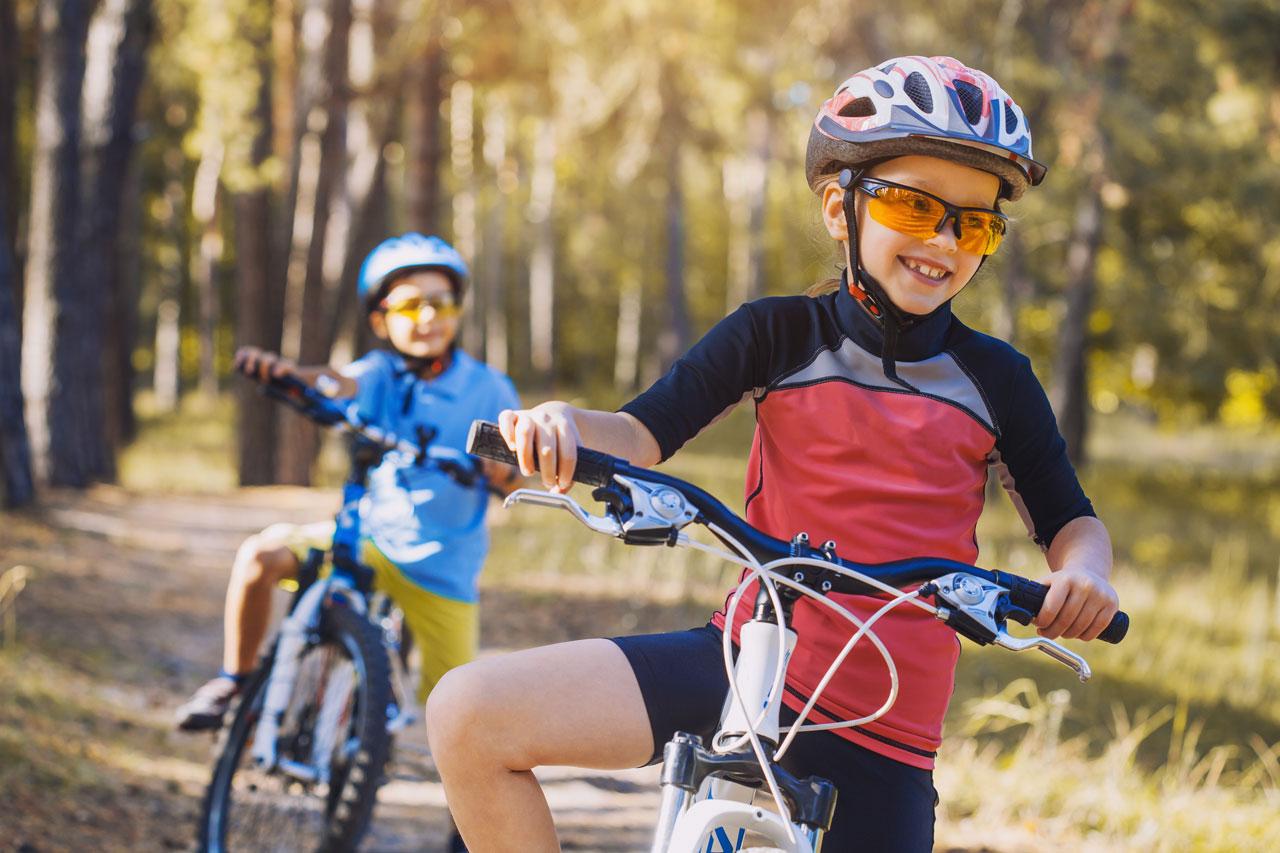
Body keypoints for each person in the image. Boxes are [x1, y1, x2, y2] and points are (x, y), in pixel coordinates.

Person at [423, 56, 1121, 853]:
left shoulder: (996, 379)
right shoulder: (776, 334)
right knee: (468, 713)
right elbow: (639, 434)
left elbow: (1072, 522)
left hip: (882, 729)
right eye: (915, 206)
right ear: (839, 207)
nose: (947, 240)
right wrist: (561, 425)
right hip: (747, 665)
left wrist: (1085, 575)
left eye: (976, 221)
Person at [176, 233, 520, 735]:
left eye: (441, 303)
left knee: (466, 717)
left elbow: (516, 477)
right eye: (409, 305)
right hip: (371, 541)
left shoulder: (488, 387)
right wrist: (293, 375)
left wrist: (503, 474)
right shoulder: (381, 374)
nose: (428, 317)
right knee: (259, 557)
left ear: (458, 310)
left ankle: (467, 815)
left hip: (445, 571)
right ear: (381, 319)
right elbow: (338, 383)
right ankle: (234, 682)